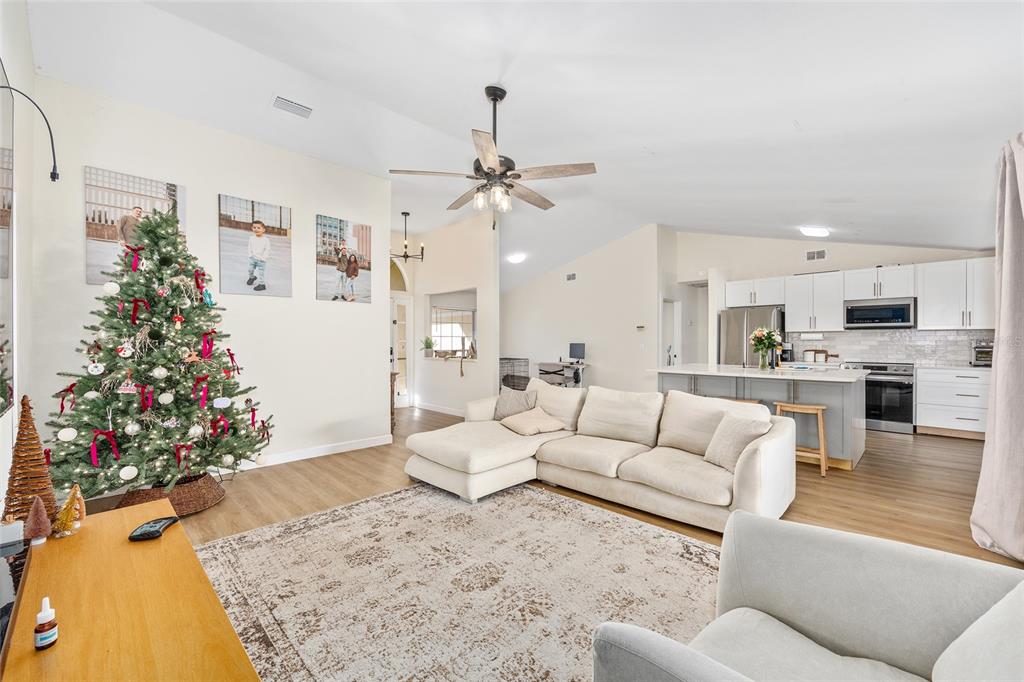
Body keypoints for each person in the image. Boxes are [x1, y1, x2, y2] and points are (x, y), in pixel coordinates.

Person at [246, 220, 270, 292]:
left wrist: (264, 258)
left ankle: (262, 285)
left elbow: (267, 249)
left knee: (261, 272)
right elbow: (249, 247)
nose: (256, 229)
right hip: (253, 258)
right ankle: (252, 277)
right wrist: (250, 255)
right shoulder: (251, 238)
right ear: (252, 228)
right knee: (250, 269)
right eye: (254, 227)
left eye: (258, 228)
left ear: (263, 230)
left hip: (261, 260)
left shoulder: (266, 240)